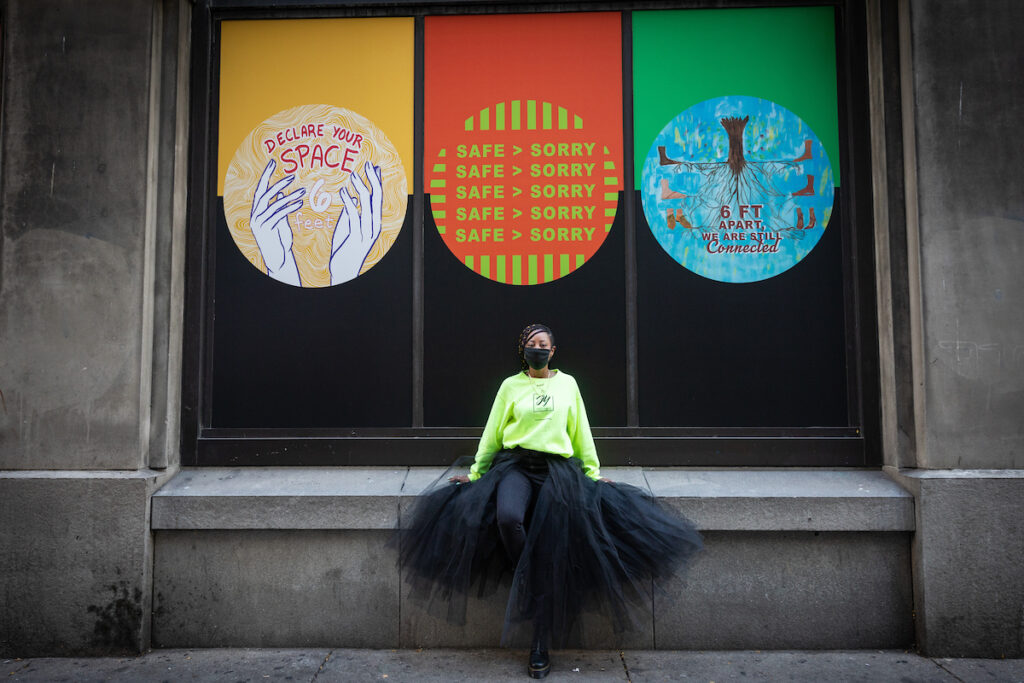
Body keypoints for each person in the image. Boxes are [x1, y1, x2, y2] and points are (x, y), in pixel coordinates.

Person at [398, 324, 702, 679]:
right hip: (517, 466)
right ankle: (530, 578)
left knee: (552, 544)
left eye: (543, 344)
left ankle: (540, 642)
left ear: (553, 351)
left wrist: (592, 473)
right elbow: (492, 433)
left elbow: (580, 430)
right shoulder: (510, 386)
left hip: (557, 470)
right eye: (531, 343)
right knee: (508, 517)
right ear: (523, 350)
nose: (537, 348)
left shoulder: (568, 384)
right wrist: (477, 473)